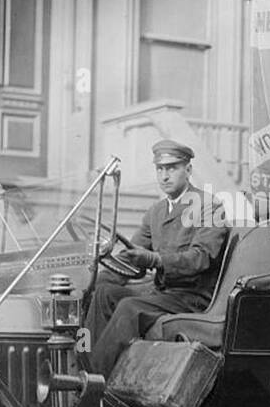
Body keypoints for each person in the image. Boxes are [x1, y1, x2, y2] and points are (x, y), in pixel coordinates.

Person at [84, 140, 228, 376]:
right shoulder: (156, 212)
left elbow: (200, 258)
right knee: (102, 293)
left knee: (130, 307)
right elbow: (131, 255)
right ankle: (86, 362)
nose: (164, 176)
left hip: (193, 296)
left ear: (188, 170)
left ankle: (97, 379)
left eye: (172, 168)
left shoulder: (209, 206)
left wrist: (154, 260)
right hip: (163, 295)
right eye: (160, 169)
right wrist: (98, 278)